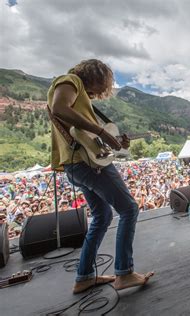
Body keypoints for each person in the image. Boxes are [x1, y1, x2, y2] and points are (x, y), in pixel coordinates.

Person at [47, 59, 153, 294]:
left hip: (78, 164)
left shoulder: (83, 102)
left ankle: (84, 276)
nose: (101, 91)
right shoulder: (70, 81)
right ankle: (124, 273)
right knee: (129, 209)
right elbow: (59, 108)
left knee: (102, 215)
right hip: (86, 165)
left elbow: (90, 141)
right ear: (96, 75)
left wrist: (116, 143)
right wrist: (102, 131)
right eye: (104, 83)